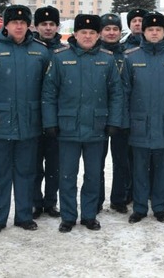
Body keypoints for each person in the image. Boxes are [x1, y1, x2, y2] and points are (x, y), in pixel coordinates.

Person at [0, 5, 51, 236]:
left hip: (30, 123)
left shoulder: (40, 51)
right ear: (6, 25)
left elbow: (49, 89)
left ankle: (24, 216)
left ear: (28, 25)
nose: (19, 26)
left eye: (23, 22)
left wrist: (47, 121)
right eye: (14, 22)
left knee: (26, 173)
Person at [42, 14, 123, 233]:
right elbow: (49, 93)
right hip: (67, 126)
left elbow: (116, 94)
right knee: (67, 175)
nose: (87, 36)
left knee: (93, 175)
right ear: (75, 34)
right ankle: (68, 216)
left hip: (97, 126)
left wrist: (114, 121)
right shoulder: (60, 58)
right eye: (83, 32)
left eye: (92, 33)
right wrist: (50, 122)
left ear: (98, 35)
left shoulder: (107, 59)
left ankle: (89, 215)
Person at [124, 12, 164, 224]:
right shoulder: (131, 57)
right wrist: (124, 121)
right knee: (139, 168)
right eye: (150, 29)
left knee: (162, 169)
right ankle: (140, 207)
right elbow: (124, 92)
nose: (154, 33)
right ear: (143, 32)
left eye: (158, 29)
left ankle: (160, 207)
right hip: (138, 123)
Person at [98, 13, 130, 213]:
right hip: (99, 116)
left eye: (115, 29)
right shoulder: (94, 54)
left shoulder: (128, 54)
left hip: (123, 117)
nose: (111, 33)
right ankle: (96, 199)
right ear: (100, 32)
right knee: (96, 163)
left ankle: (119, 199)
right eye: (107, 29)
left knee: (122, 161)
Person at [31, 6, 62, 219]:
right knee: (33, 164)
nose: (48, 28)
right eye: (44, 24)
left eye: (52, 24)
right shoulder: (30, 49)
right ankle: (34, 202)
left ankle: (51, 202)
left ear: (57, 26)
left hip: (57, 117)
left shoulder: (65, 51)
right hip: (33, 115)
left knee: (54, 164)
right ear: (36, 26)